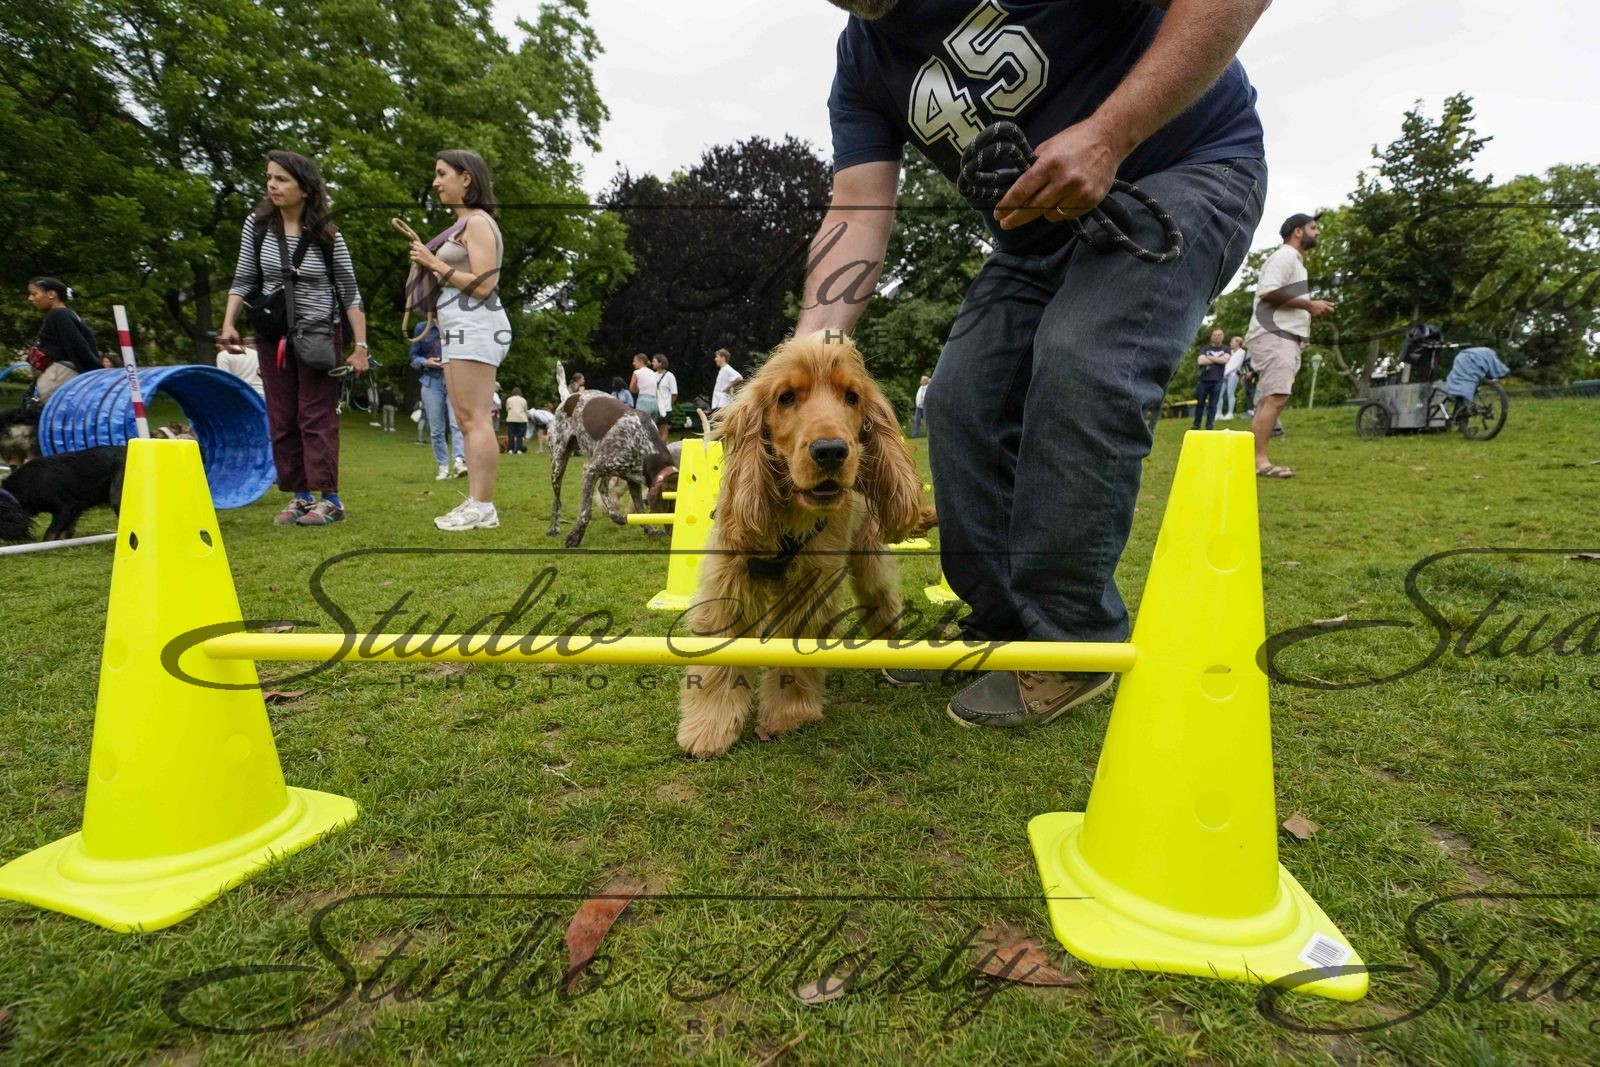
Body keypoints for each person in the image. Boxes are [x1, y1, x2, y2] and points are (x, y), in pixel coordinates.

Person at [802, 0, 1267, 727]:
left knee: (1082, 360)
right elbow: (859, 206)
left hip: (1185, 164)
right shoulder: (862, 62)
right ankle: (1002, 621)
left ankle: (1067, 642)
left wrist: (1109, 134)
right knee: (960, 399)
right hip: (1037, 235)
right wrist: (813, 346)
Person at [219, 150, 368, 527]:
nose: (272, 185)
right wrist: (229, 323)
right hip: (272, 335)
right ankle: (300, 497)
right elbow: (243, 277)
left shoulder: (328, 235)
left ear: (305, 188)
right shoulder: (257, 227)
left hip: (318, 333)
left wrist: (360, 347)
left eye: (282, 179)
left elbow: (350, 293)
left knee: (314, 416)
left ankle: (330, 499)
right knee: (282, 416)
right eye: (269, 178)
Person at [406, 149, 510, 531]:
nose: (436, 182)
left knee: (475, 418)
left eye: (441, 174)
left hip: (477, 326)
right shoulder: (461, 226)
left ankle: (483, 506)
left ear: (466, 178)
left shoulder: (478, 223)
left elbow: (485, 285)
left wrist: (434, 263)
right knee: (466, 419)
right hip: (458, 327)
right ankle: (476, 503)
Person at [1245, 213, 1334, 478]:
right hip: (1274, 334)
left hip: (1282, 336)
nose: (1317, 232)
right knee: (1276, 396)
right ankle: (1259, 462)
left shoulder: (1296, 263)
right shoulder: (1284, 256)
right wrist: (1309, 304)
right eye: (1313, 227)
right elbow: (1268, 292)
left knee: (1269, 398)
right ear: (1297, 231)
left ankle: (1251, 458)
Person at [24, 278, 100, 402]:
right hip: (62, 374)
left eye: (34, 294)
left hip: (59, 376)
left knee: (52, 415)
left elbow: (78, 346)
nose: (30, 298)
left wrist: (96, 372)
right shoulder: (67, 314)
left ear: (51, 294)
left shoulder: (58, 315)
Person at [409, 321, 467, 480]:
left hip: (454, 380)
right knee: (436, 429)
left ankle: (459, 461)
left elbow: (464, 353)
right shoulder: (421, 328)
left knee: (457, 423)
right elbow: (413, 357)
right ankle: (443, 466)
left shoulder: (457, 325)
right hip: (431, 381)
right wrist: (425, 362)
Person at [1192, 329, 1229, 430]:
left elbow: (1225, 360)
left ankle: (1209, 424)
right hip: (1203, 380)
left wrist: (1209, 358)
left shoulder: (1226, 349)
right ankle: (1196, 424)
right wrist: (1217, 360)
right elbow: (1200, 361)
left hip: (1217, 380)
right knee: (1200, 403)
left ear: (1222, 337)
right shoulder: (1205, 348)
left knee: (1213, 404)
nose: (1217, 337)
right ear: (1212, 337)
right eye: (1215, 335)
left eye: (1219, 335)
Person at [652, 353, 678, 442]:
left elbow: (674, 393)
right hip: (655, 406)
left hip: (665, 407)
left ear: (660, 363)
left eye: (654, 361)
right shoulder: (653, 375)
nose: (652, 363)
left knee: (663, 428)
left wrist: (669, 405)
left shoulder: (669, 376)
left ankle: (663, 446)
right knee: (656, 428)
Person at [1219, 335, 1245, 419]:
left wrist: (1227, 372)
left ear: (1237, 343)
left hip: (1233, 375)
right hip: (1224, 375)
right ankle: (1218, 413)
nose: (1230, 343)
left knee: (1230, 393)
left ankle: (1230, 413)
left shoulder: (1242, 352)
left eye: (1232, 342)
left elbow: (1236, 365)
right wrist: (1223, 373)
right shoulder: (1229, 352)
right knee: (1219, 394)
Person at [630, 352, 660, 422]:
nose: (633, 363)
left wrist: (637, 389)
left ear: (640, 361)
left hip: (643, 401)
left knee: (641, 425)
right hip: (654, 402)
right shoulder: (653, 373)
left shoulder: (637, 372)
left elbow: (632, 389)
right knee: (652, 427)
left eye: (635, 361)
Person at [504, 386, 529, 453]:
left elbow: (507, 409)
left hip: (511, 418)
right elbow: (525, 410)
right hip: (521, 418)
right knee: (520, 435)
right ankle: (519, 449)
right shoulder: (523, 400)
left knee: (511, 434)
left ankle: (510, 449)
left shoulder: (509, 399)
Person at [911, 373, 930, 437]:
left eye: (922, 380)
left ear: (925, 381)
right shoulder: (921, 387)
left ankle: (929, 434)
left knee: (927, 421)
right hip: (918, 407)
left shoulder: (928, 388)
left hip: (925, 407)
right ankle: (915, 434)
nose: (920, 381)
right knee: (917, 421)